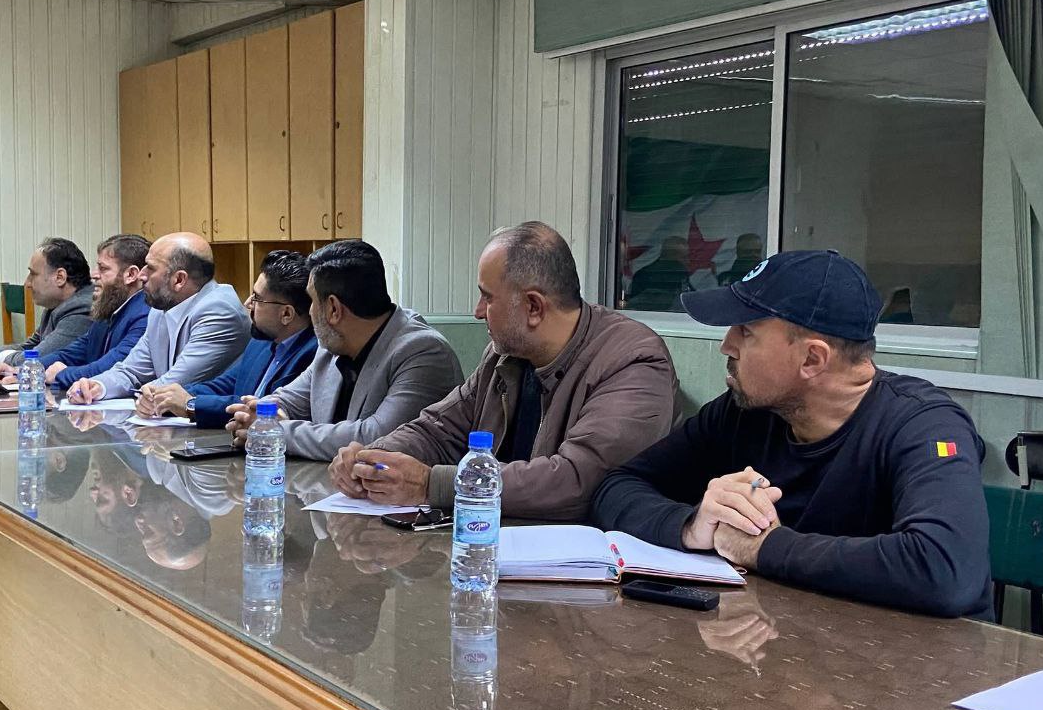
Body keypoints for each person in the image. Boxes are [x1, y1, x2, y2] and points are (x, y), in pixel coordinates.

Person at [592, 249, 993, 619]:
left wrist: (763, 547)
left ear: (812, 359)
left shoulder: (924, 425)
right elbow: (617, 486)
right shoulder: (743, 413)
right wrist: (692, 526)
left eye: (746, 330)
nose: (726, 345)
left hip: (921, 665)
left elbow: (944, 570)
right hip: (787, 646)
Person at [329, 221, 679, 522]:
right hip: (494, 541)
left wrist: (432, 484)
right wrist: (371, 459)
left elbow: (579, 481)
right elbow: (439, 429)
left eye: (487, 297)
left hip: (582, 565)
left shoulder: (634, 362)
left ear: (533, 307)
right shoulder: (505, 355)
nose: (478, 311)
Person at [225, 240, 462, 461]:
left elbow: (377, 438)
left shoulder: (423, 352)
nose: (309, 312)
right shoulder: (332, 346)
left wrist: (273, 432)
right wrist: (256, 416)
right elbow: (288, 399)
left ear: (333, 309)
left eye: (312, 301)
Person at [65, 232, 249, 411]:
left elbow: (176, 383)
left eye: (150, 268)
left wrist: (142, 395)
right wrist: (97, 386)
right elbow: (131, 370)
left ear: (179, 279)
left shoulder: (219, 310)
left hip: (214, 426)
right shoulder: (161, 308)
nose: (141, 275)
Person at [145, 250, 317, 429]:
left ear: (286, 314)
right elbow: (225, 384)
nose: (248, 303)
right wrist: (169, 395)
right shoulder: (262, 341)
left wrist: (191, 404)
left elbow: (259, 408)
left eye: (257, 298)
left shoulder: (312, 353)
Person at [0, 234, 151, 387]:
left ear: (131, 275)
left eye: (103, 269)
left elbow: (112, 367)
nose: (94, 274)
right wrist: (23, 371)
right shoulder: (109, 309)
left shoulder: (145, 315)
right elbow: (72, 353)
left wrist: (62, 374)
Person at [0, 237, 94, 369]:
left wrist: (1, 359)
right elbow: (28, 348)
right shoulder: (56, 305)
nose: (27, 283)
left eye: (33, 274)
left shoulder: (82, 309)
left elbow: (33, 360)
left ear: (60, 277)